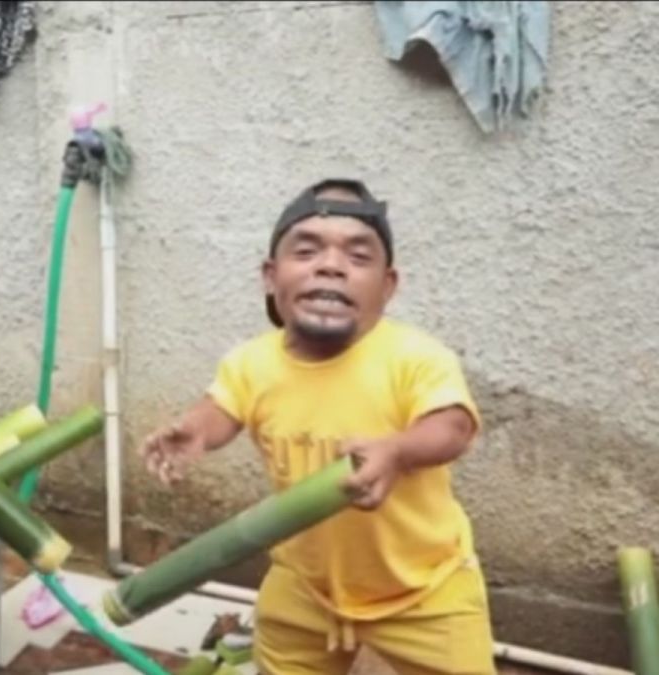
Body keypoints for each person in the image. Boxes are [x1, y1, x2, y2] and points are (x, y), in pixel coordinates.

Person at [139, 179, 495, 674]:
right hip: (306, 587)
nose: (331, 265)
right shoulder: (252, 362)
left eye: (357, 256)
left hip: (425, 591)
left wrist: (397, 449)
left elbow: (453, 425)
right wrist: (195, 431)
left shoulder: (415, 357)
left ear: (388, 286)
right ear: (270, 275)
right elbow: (221, 407)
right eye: (306, 251)